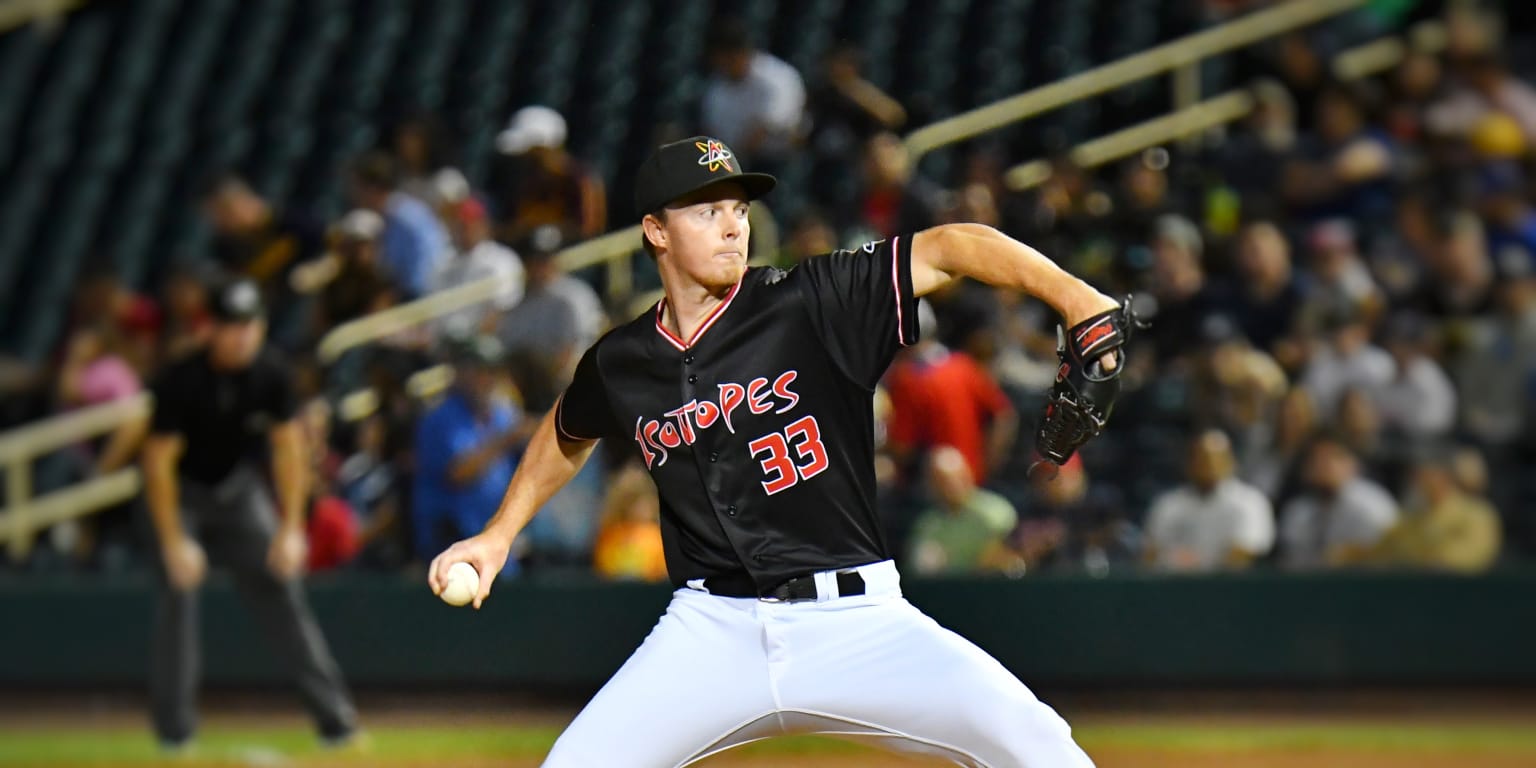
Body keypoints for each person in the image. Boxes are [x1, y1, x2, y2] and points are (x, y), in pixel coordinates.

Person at [430, 135, 1125, 766]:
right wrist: (497, 535)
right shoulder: (624, 361)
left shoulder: (811, 300)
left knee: (1039, 747)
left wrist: (1078, 298)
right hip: (711, 630)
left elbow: (950, 247)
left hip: (858, 621)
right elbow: (565, 429)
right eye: (705, 211)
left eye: (738, 207)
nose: (733, 224)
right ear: (655, 232)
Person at [140, 279, 356, 751]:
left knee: (283, 592)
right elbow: (157, 465)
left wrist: (291, 529)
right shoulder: (182, 379)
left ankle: (336, 722)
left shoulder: (271, 374)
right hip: (183, 494)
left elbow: (288, 449)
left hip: (238, 491)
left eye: (250, 325)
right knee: (177, 599)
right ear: (211, 328)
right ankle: (175, 735)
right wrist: (175, 539)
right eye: (231, 326)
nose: (241, 336)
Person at [411, 335, 530, 564]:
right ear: (460, 372)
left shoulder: (503, 415)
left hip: (497, 546)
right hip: (449, 546)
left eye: (491, 372)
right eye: (478, 371)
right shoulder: (440, 418)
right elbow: (460, 472)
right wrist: (507, 439)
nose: (486, 379)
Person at [1143, 430, 1275, 572]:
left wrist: (1199, 566)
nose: (1209, 465)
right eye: (1201, 458)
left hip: (1230, 589)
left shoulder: (1250, 502)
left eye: (1216, 458)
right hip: (1173, 587)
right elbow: (1150, 555)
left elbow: (1243, 555)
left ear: (1231, 462)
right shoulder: (1168, 504)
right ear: (1189, 463)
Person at [906, 446, 1018, 575]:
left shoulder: (997, 512)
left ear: (969, 475)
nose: (953, 486)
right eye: (942, 481)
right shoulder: (926, 523)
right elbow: (916, 566)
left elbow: (1009, 556)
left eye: (958, 478)